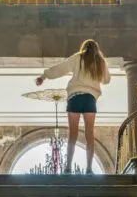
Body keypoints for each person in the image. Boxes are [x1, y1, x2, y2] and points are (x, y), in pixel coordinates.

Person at [36, 39, 110, 174]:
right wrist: (97, 71)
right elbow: (107, 80)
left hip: (74, 97)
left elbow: (61, 68)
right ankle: (89, 168)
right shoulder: (100, 61)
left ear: (84, 47)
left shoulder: (78, 57)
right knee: (89, 134)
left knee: (73, 134)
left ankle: (68, 167)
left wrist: (44, 76)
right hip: (89, 99)